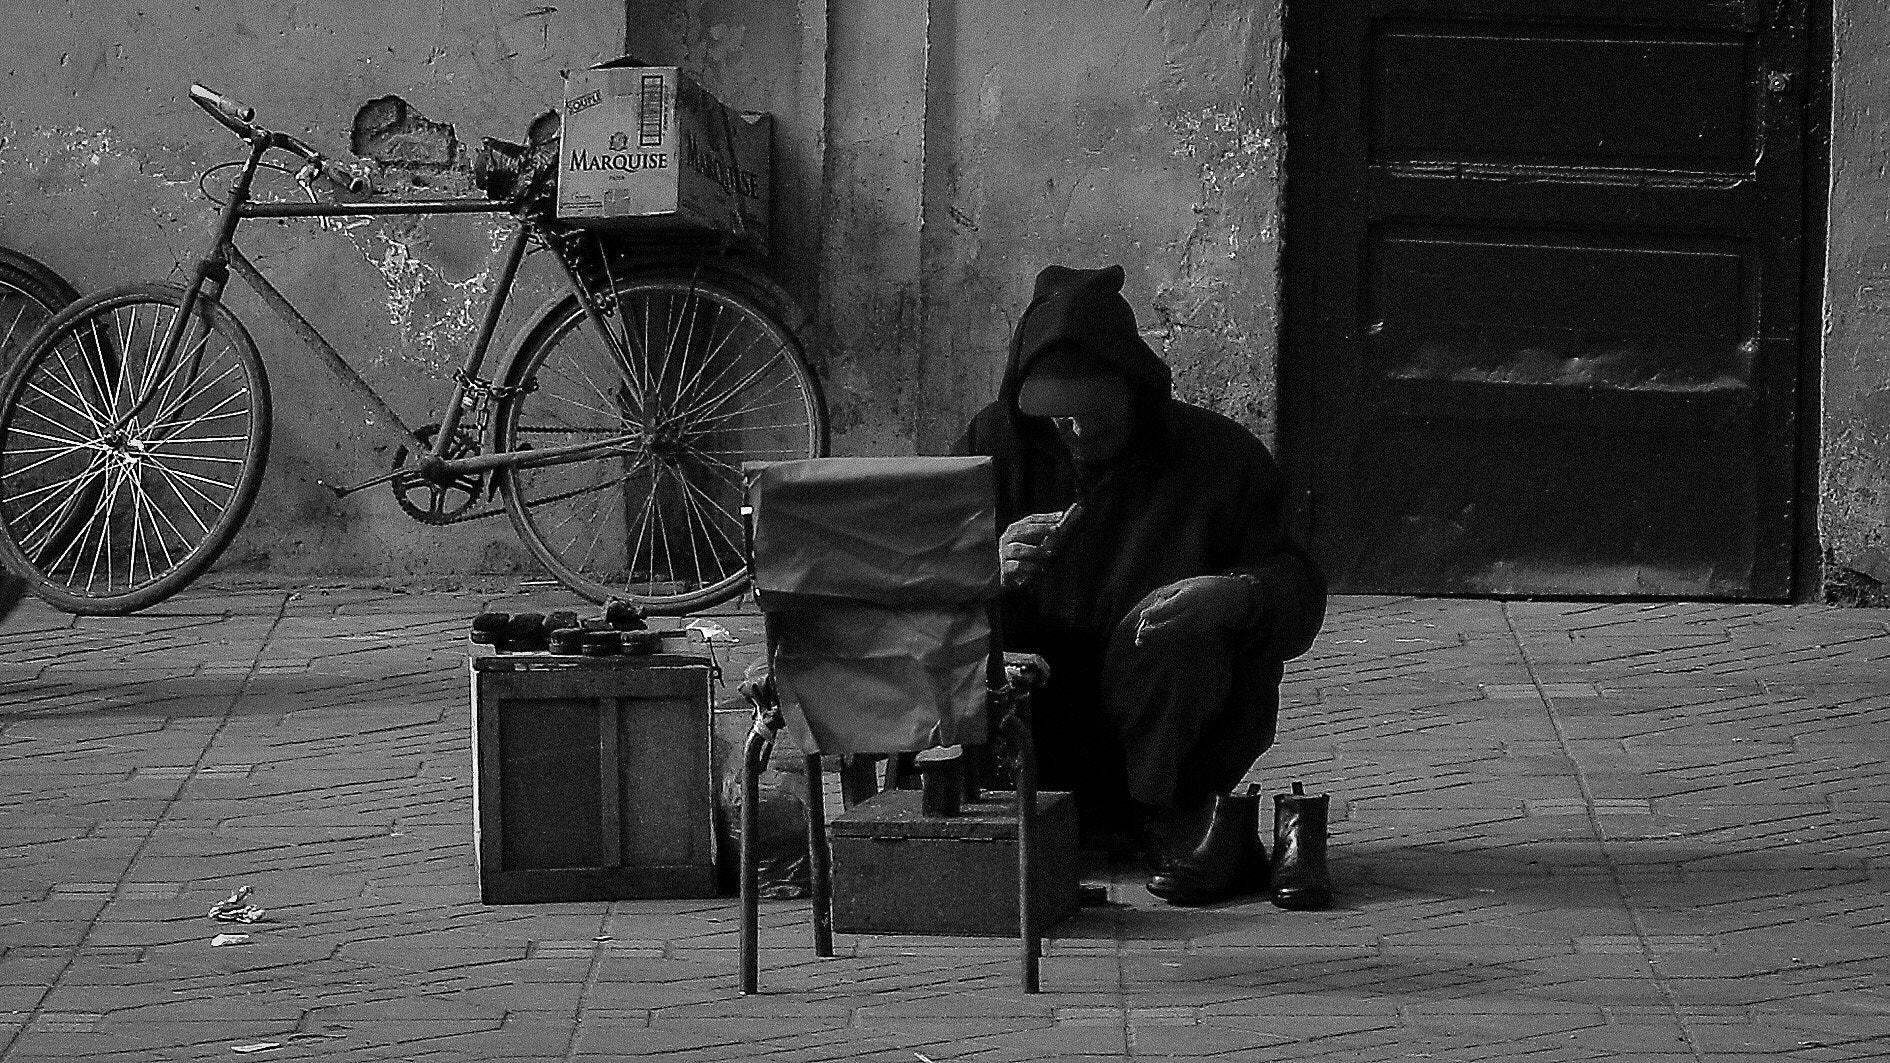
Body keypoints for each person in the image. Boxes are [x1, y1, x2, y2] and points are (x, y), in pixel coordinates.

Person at [953, 264, 1327, 906]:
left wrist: (1239, 594)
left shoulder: (1216, 457)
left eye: (1094, 412)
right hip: (1038, 714)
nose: (1076, 431)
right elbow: (925, 574)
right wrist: (988, 564)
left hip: (1162, 717)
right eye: (1057, 417)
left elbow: (1296, 586)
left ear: (1134, 387)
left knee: (1178, 630)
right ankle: (1040, 811)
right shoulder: (997, 445)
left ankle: (1177, 817)